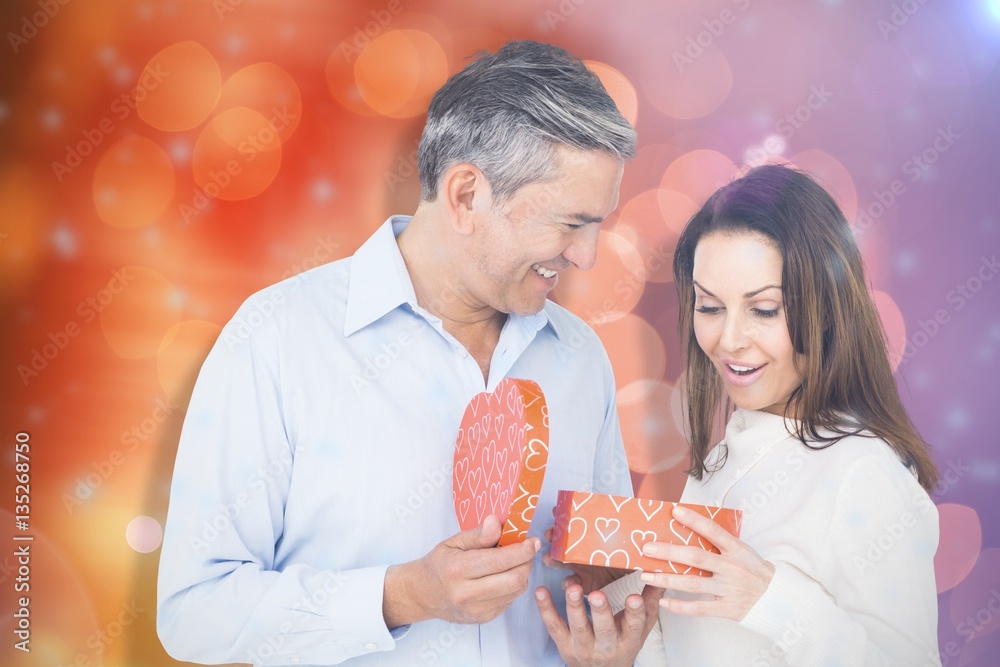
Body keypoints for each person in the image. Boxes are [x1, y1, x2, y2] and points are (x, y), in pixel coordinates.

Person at [156, 40, 662, 666]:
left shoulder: (580, 356)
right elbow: (193, 613)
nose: (587, 256)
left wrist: (625, 628)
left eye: (600, 225)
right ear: (467, 195)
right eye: (570, 223)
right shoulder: (280, 338)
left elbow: (605, 583)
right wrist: (400, 596)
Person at [537, 164, 941, 666]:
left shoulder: (864, 472)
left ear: (828, 307)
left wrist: (770, 599)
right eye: (709, 307)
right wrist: (622, 609)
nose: (728, 340)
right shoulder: (726, 458)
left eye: (764, 309)